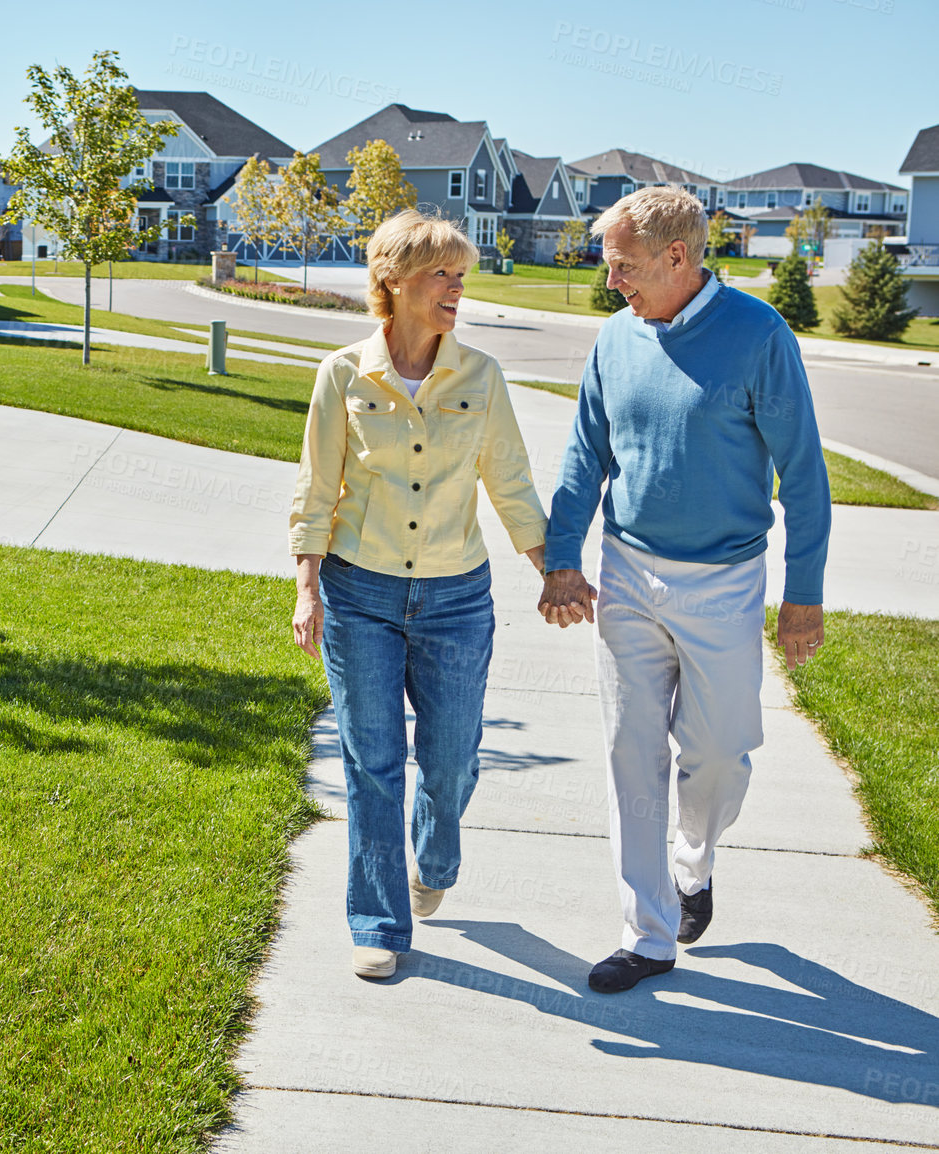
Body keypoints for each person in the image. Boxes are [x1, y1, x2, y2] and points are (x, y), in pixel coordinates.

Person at [538, 186, 831, 994]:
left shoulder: (758, 338)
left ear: (678, 256)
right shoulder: (614, 338)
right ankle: (647, 932)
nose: (611, 282)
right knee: (632, 750)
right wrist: (564, 558)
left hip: (726, 585)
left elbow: (804, 474)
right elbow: (582, 457)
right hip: (629, 574)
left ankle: (691, 866)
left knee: (717, 756)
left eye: (623, 266)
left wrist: (802, 592)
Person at [289, 210, 549, 980]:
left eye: (461, 276)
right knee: (373, 761)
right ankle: (378, 924)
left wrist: (552, 569)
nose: (456, 290)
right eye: (442, 275)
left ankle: (434, 857)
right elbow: (316, 488)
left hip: (454, 599)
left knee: (451, 756)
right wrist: (308, 586)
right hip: (360, 592)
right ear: (393, 282)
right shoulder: (342, 374)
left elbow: (510, 482)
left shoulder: (481, 377)